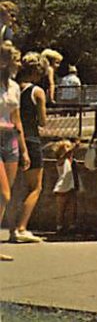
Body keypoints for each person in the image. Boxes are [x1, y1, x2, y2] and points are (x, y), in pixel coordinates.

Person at [9, 52, 49, 244]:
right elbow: (42, 121)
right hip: (31, 140)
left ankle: (11, 226)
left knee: (12, 187)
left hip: (10, 140)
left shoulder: (13, 88)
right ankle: (21, 227)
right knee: (35, 187)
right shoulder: (37, 92)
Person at [0, 42, 28, 260]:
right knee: (3, 193)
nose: (19, 64)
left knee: (4, 196)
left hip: (11, 140)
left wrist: (25, 150)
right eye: (15, 60)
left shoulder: (14, 87)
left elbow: (16, 118)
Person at [51, 139, 80, 234]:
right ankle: (59, 226)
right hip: (62, 187)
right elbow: (67, 154)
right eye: (66, 147)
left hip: (71, 186)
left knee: (72, 207)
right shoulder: (61, 161)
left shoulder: (72, 161)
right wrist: (73, 147)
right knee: (61, 209)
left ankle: (72, 225)